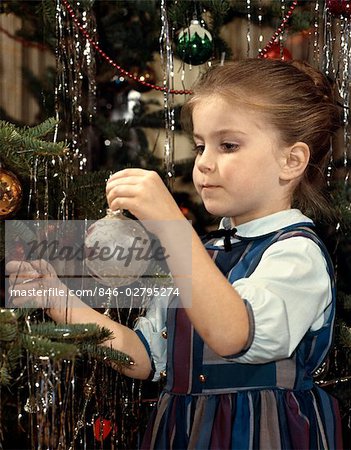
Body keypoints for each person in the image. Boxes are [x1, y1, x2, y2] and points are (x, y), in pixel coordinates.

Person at [7, 58, 344, 449]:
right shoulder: (200, 253)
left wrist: (171, 224)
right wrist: (59, 300)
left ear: (291, 161)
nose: (203, 163)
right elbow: (145, 358)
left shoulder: (296, 253)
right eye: (201, 146)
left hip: (260, 433)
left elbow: (233, 334)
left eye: (228, 145)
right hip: (181, 431)